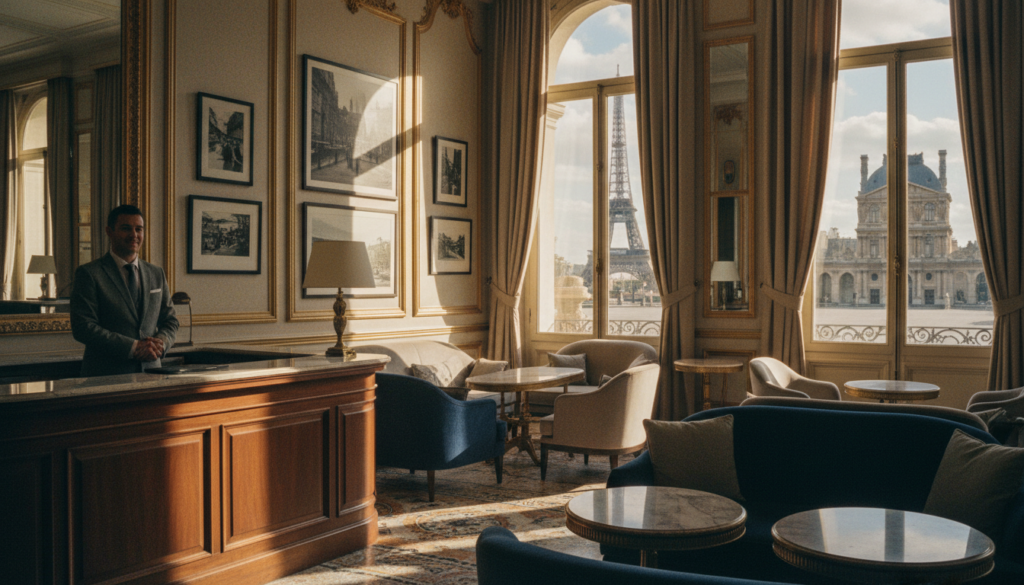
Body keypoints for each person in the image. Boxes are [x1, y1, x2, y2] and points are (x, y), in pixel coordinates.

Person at [70, 204, 178, 376]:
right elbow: (83, 327)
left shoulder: (156, 273)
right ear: (109, 231)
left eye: (139, 229)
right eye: (126, 228)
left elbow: (171, 321)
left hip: (153, 373)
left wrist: (161, 343)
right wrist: (133, 347)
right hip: (106, 376)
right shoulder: (89, 273)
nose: (134, 235)